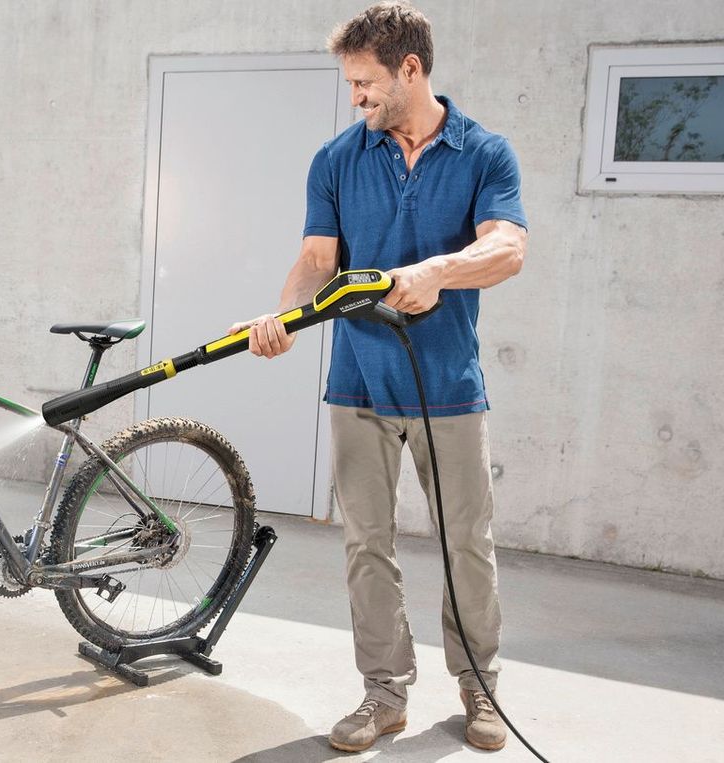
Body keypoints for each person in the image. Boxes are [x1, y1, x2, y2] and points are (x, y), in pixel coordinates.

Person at [227, 1, 528, 753]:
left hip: (449, 389)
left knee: (467, 545)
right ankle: (384, 694)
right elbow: (317, 259)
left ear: (410, 70)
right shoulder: (337, 159)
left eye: (364, 82)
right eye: (351, 83)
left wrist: (438, 270)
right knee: (367, 545)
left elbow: (509, 248)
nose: (355, 96)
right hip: (358, 384)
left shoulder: (485, 153)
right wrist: (283, 316)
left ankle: (480, 688)